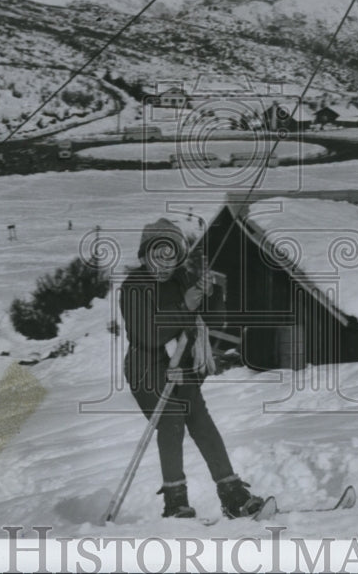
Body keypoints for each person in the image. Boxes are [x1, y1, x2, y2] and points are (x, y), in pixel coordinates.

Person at [119, 218, 264, 520]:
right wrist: (184, 307)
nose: (165, 260)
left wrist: (212, 294)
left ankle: (232, 494)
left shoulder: (183, 280)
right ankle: (176, 503)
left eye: (171, 253)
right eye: (158, 252)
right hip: (145, 366)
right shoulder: (134, 286)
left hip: (181, 365)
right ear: (145, 254)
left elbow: (213, 322)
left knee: (200, 420)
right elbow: (147, 334)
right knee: (171, 418)